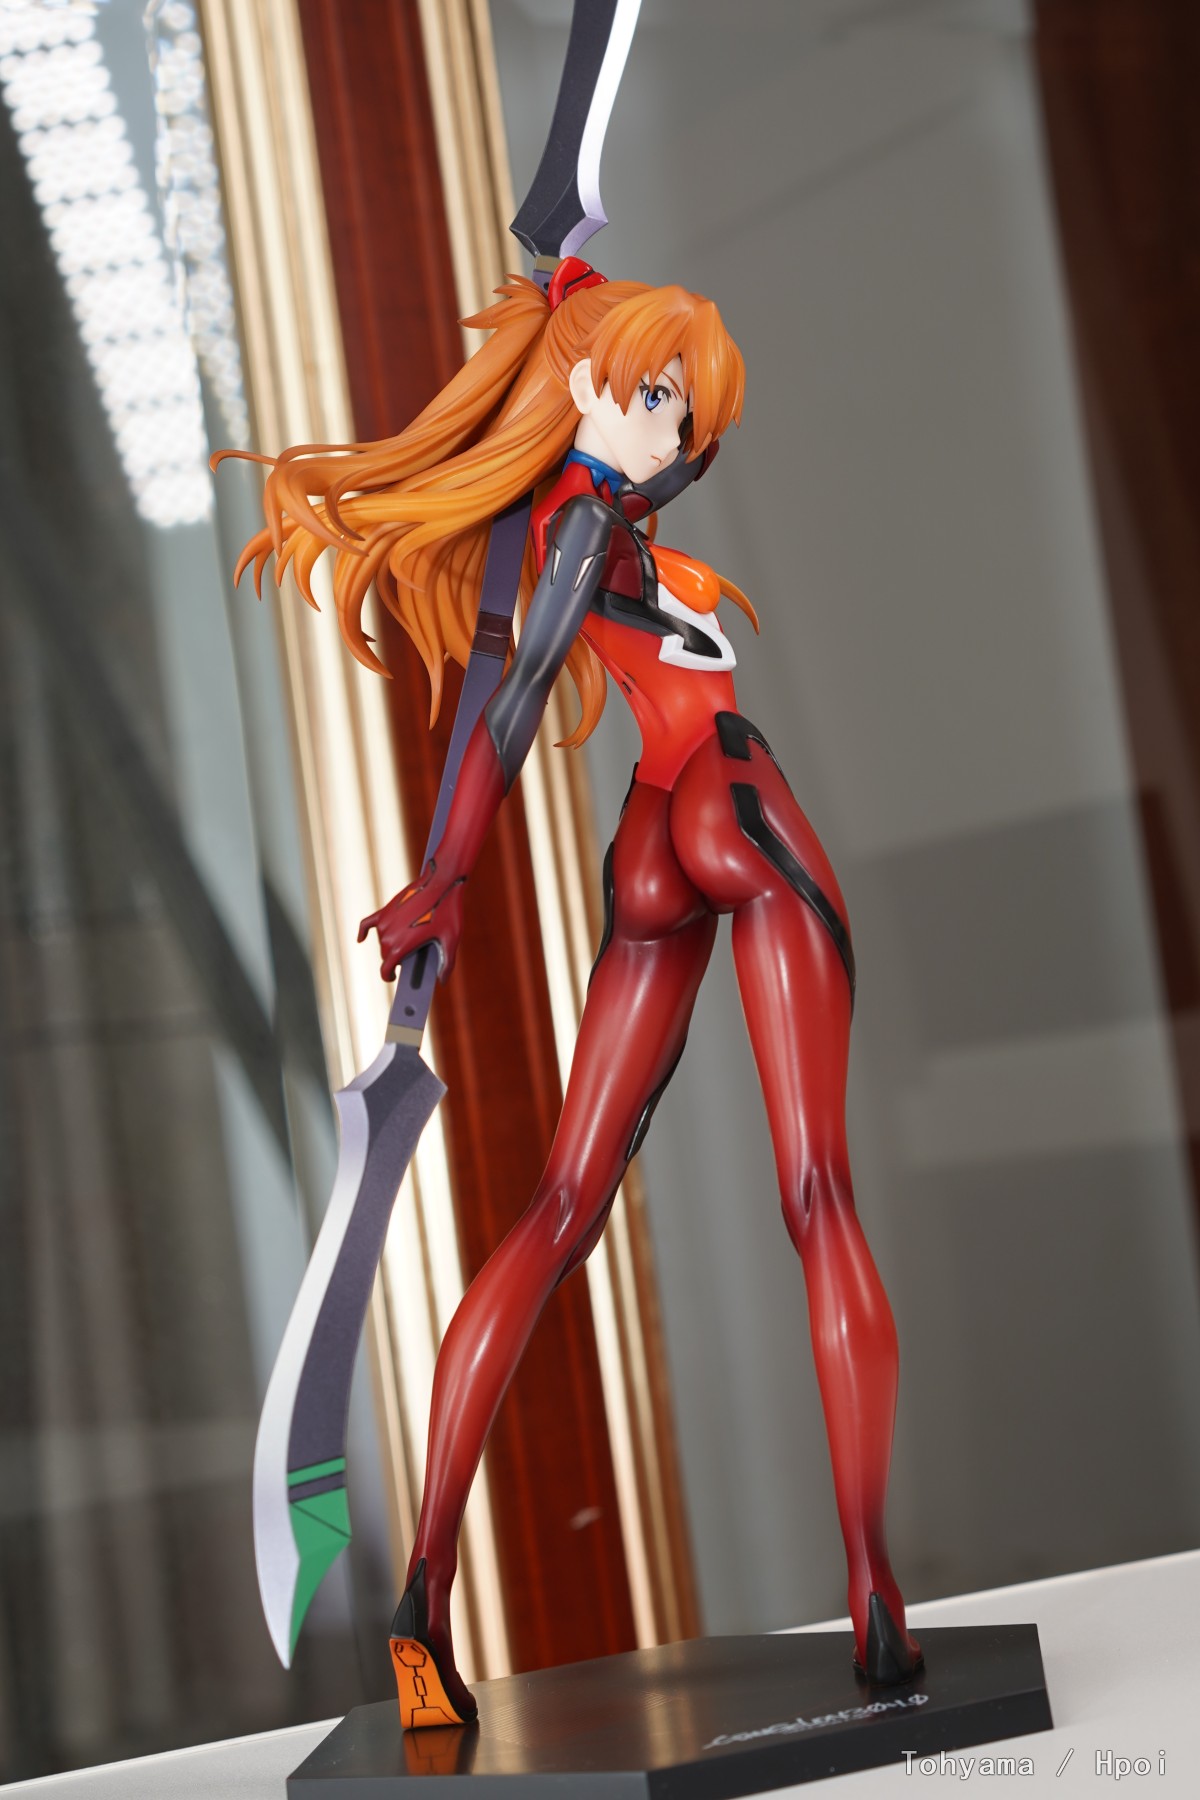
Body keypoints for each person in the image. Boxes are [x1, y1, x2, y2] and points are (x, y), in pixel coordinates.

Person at [232, 260, 921, 1730]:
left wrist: (448, 874)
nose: (677, 429)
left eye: (689, 409)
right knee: (817, 1193)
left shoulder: (570, 527)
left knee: (558, 1208)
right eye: (655, 394)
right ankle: (874, 1594)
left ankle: (423, 1598)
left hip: (648, 845)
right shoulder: (586, 526)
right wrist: (447, 876)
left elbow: (506, 689)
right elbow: (513, 699)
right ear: (584, 387)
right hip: (726, 801)